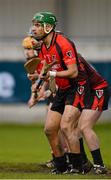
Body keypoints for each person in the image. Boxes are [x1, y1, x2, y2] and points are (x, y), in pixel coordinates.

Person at [30, 11, 90, 174]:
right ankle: (61, 166)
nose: (34, 29)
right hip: (63, 88)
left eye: (38, 25)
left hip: (77, 86)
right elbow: (46, 69)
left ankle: (79, 167)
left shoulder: (63, 43)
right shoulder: (42, 47)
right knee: (49, 129)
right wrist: (39, 81)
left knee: (66, 126)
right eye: (33, 25)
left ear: (48, 27)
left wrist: (50, 75)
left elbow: (73, 72)